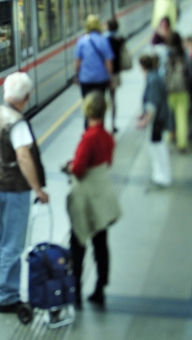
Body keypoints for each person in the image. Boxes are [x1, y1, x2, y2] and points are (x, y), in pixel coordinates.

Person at [0, 72, 49, 313]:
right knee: (12, 243)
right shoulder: (17, 123)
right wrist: (37, 189)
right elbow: (23, 156)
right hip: (13, 189)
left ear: (4, 92)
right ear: (27, 97)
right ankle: (7, 296)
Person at [65, 92, 121, 307]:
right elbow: (107, 162)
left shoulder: (88, 137)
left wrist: (69, 167)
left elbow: (78, 169)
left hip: (85, 198)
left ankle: (76, 292)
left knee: (78, 243)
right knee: (101, 243)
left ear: (87, 111)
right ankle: (100, 287)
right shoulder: (107, 137)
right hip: (101, 197)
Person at [136, 54, 172, 187]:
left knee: (158, 148)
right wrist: (143, 115)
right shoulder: (155, 77)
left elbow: (152, 102)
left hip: (158, 120)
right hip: (159, 118)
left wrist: (145, 120)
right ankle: (159, 175)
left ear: (143, 66)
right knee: (156, 146)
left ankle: (163, 176)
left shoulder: (152, 79)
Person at [74, 14, 114, 103]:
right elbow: (108, 62)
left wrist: (76, 76)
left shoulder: (81, 41)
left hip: (85, 79)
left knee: (87, 104)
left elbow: (77, 62)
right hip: (101, 79)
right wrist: (110, 77)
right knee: (99, 105)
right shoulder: (103, 40)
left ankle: (88, 116)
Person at [165, 33, 191, 153]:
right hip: (183, 90)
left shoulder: (165, 54)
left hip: (169, 90)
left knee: (169, 116)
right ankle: (182, 144)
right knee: (182, 118)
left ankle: (168, 140)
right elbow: (190, 71)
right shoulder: (184, 54)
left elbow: (161, 72)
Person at [104, 18, 126, 133]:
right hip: (116, 73)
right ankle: (113, 125)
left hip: (104, 73)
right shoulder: (120, 38)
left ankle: (102, 125)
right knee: (113, 99)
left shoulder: (105, 39)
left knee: (102, 99)